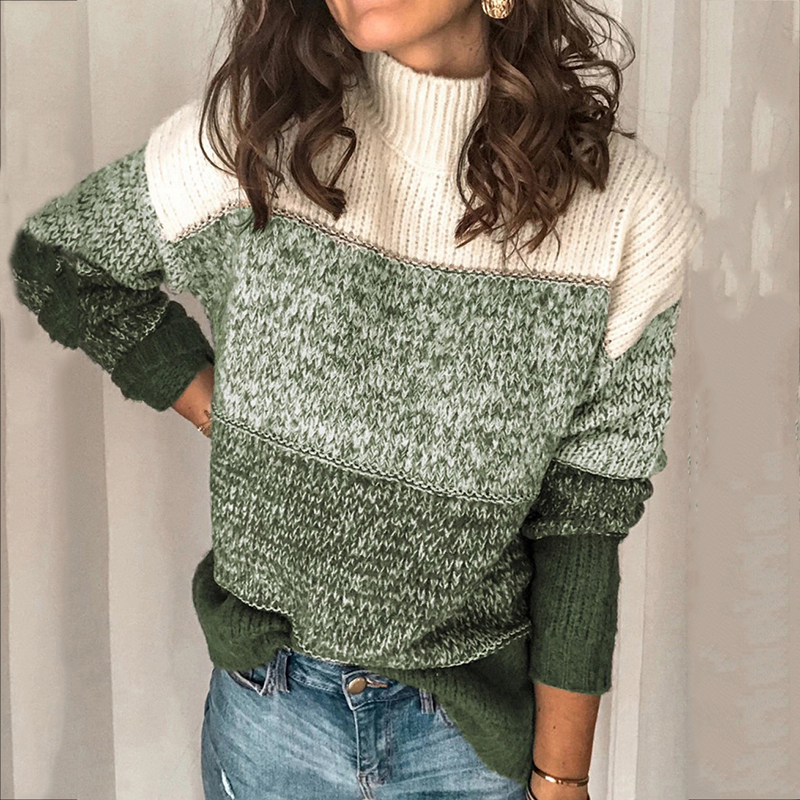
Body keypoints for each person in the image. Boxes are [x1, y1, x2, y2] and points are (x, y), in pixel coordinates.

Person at [8, 0, 704, 798]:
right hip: (271, 719)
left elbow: (584, 521)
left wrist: (562, 781)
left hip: (466, 742)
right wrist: (219, 411)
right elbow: (60, 260)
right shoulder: (254, 140)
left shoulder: (624, 209)